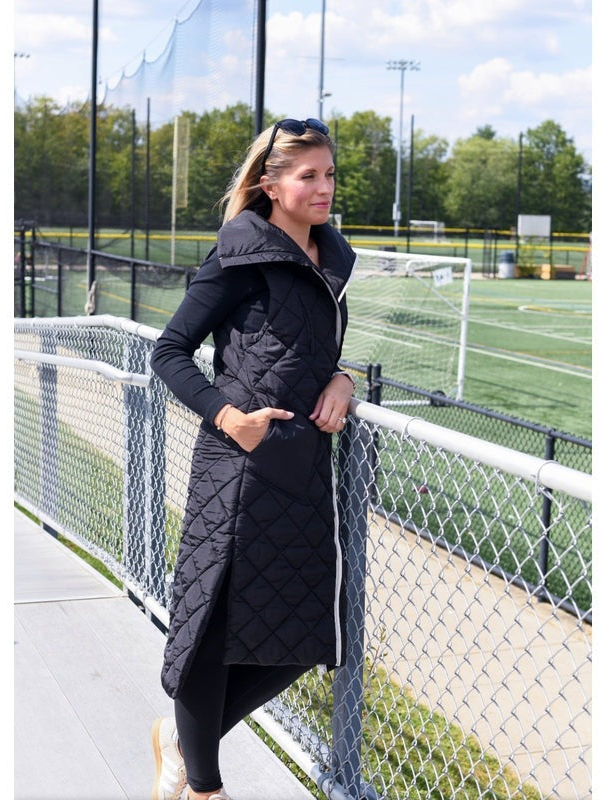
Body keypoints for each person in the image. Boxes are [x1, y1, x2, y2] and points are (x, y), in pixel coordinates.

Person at [148, 117, 357, 800]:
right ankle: (204, 788)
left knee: (302, 638)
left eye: (329, 174)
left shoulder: (331, 260)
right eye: (308, 176)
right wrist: (228, 417)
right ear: (270, 184)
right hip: (237, 467)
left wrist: (343, 378)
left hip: (301, 472)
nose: (324, 187)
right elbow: (169, 352)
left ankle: (179, 741)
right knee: (213, 634)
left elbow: (314, 352)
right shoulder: (240, 254)